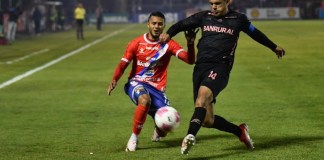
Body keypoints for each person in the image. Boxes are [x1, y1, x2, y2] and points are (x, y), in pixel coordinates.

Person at [159, 0, 286, 155]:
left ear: (228, 2)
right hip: (200, 68)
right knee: (207, 120)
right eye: (211, 3)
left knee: (202, 98)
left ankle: (190, 136)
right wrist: (169, 34)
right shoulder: (203, 17)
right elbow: (180, 25)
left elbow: (255, 33)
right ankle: (240, 131)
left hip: (220, 67)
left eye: (218, 3)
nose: (213, 6)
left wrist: (273, 47)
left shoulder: (239, 19)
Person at [107, 11, 197, 152]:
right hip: (136, 82)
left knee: (165, 128)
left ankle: (157, 128)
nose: (156, 26)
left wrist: (190, 44)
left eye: (160, 24)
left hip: (157, 88)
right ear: (148, 24)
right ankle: (134, 138)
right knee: (144, 100)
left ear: (164, 26)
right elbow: (123, 64)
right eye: (153, 23)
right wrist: (114, 79)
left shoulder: (169, 44)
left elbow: (190, 60)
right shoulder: (136, 43)